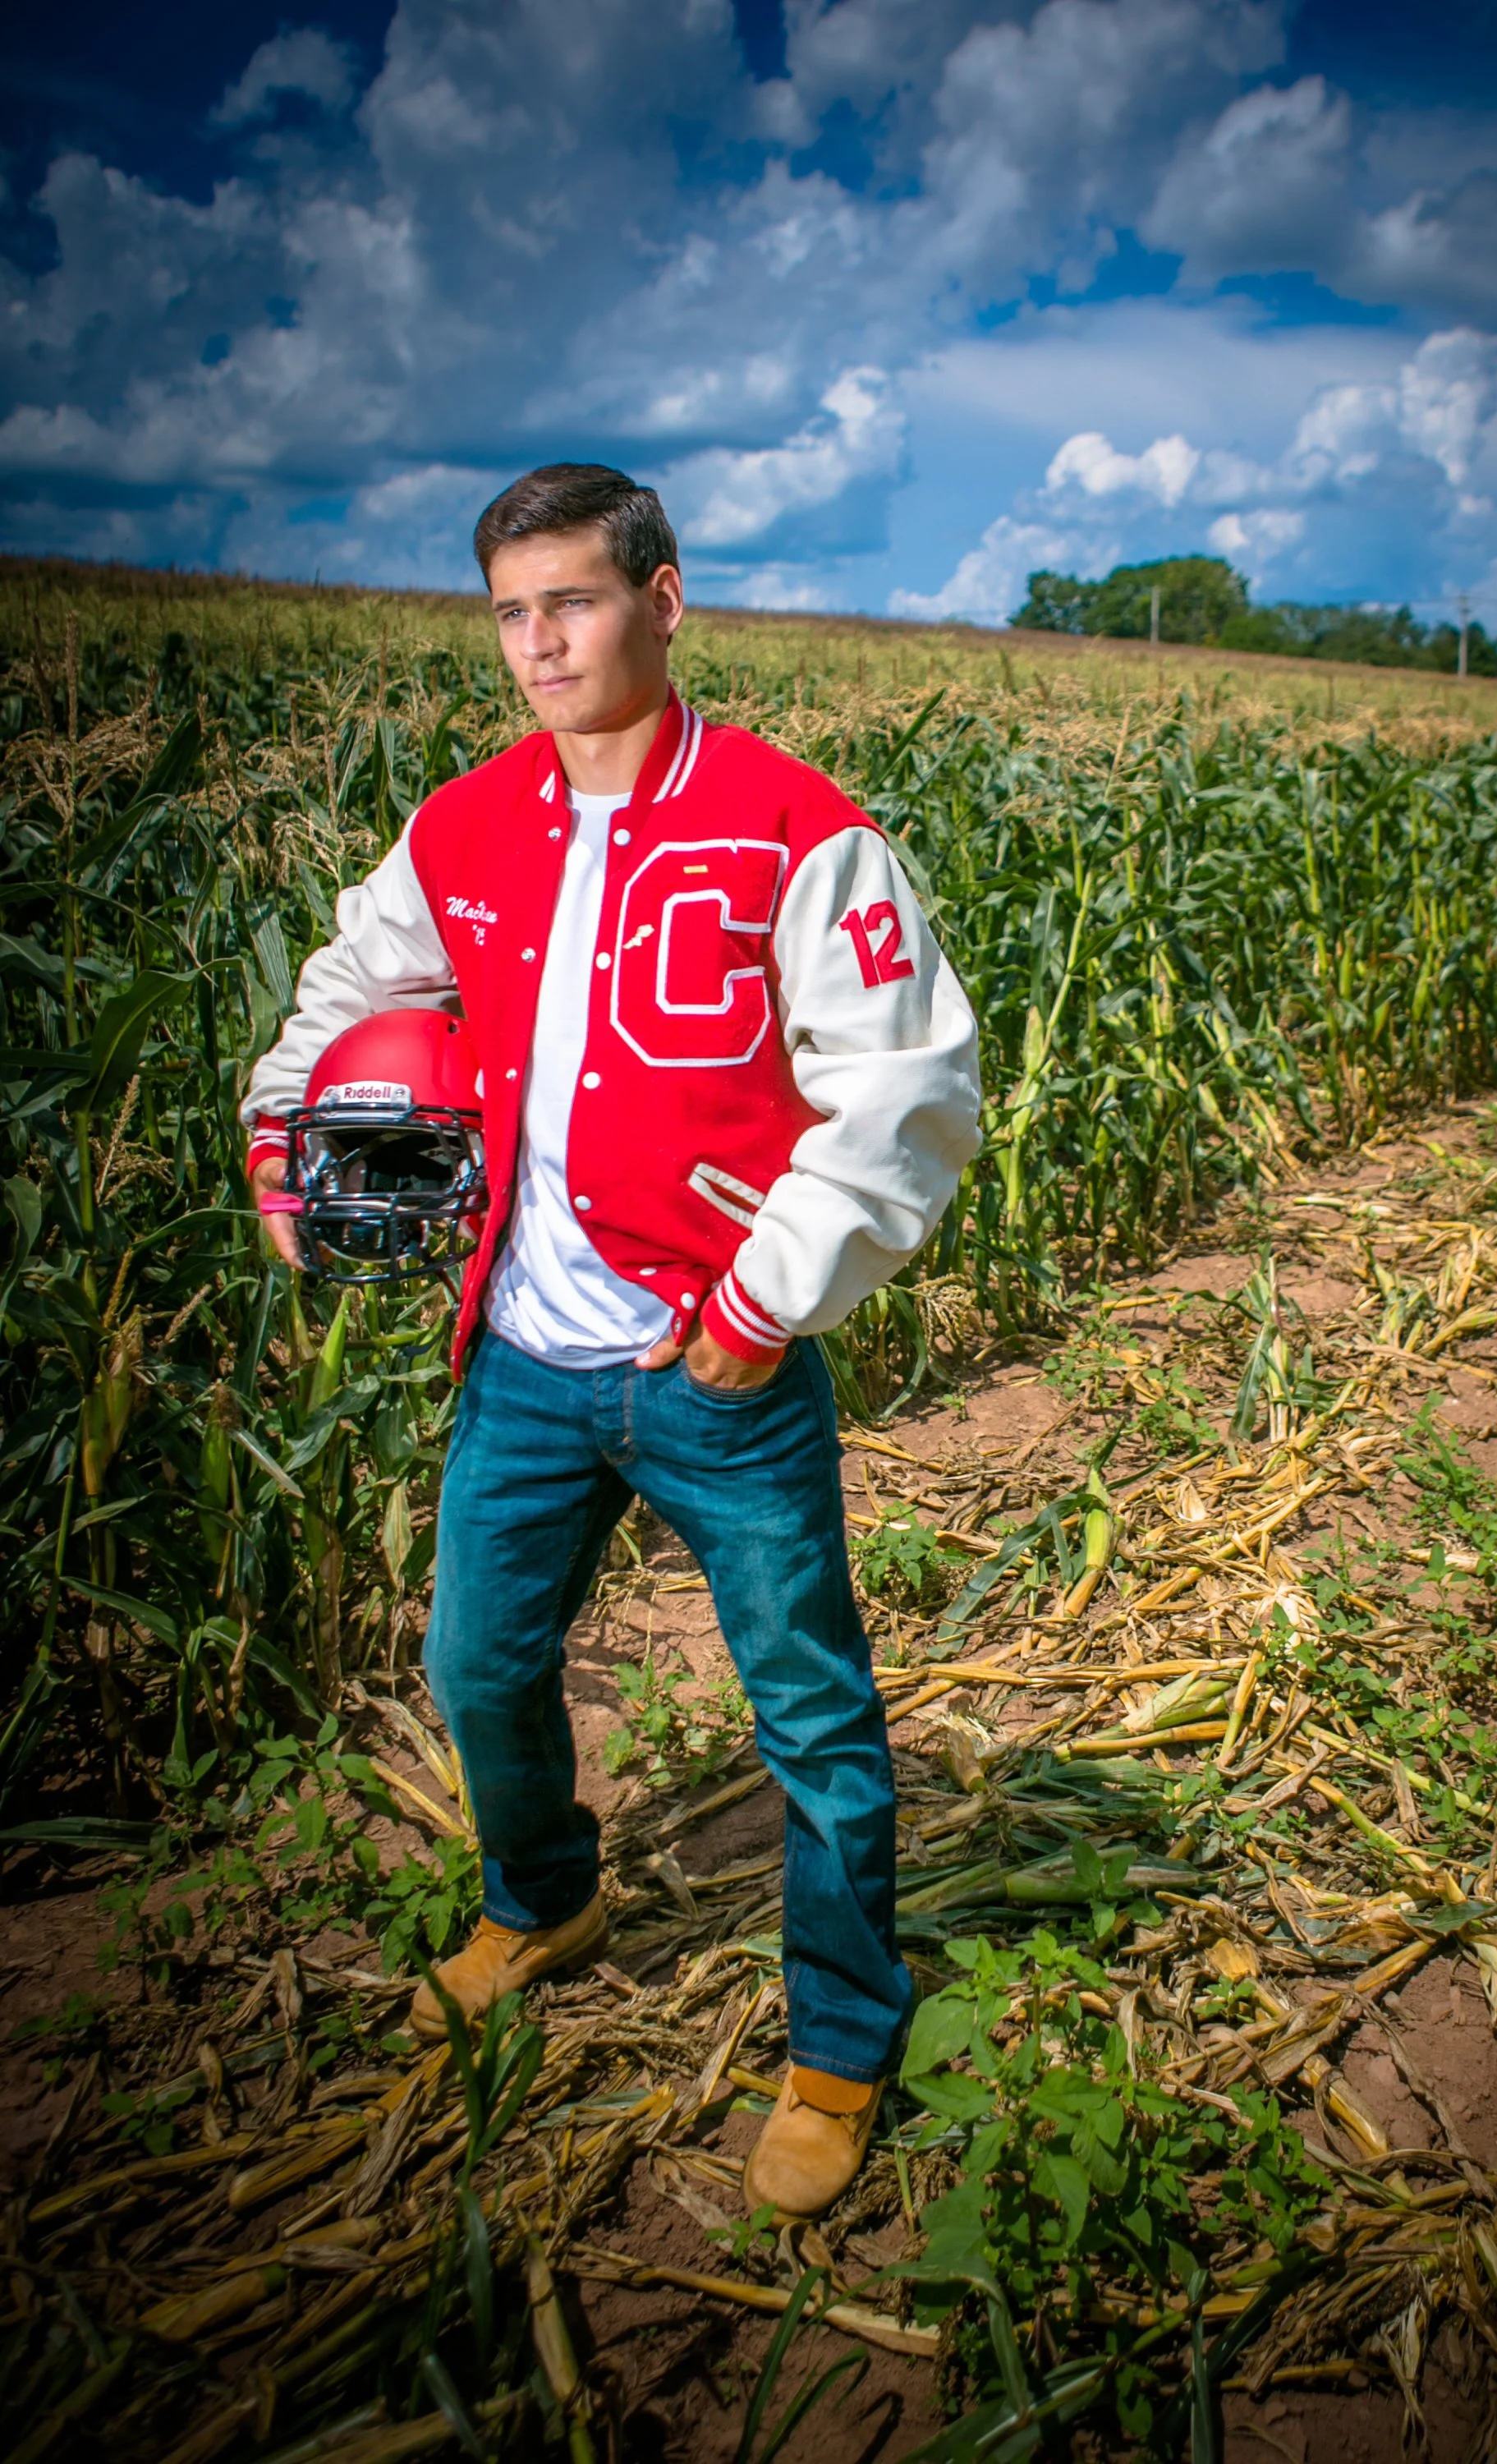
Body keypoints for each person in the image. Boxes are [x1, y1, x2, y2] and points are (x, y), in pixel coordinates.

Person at [245, 463, 981, 2220]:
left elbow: (908, 1093)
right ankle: (543, 1894)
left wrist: (759, 1307)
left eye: (571, 600)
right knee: (479, 1671)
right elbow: (350, 997)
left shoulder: (800, 831)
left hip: (707, 1367)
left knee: (809, 1717)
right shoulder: (464, 826)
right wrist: (289, 1130)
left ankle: (842, 2045)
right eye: (511, 610)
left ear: (663, 596)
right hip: (516, 1358)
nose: (539, 644)